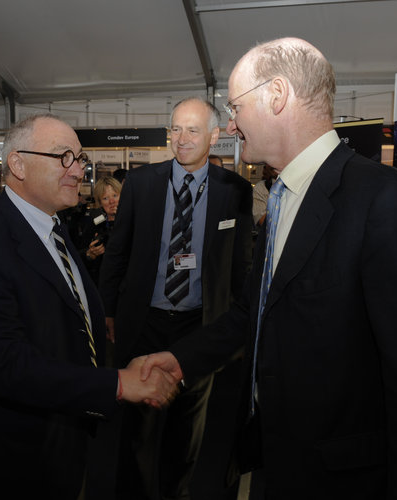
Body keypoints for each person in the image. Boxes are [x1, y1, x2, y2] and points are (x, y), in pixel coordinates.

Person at [142, 38, 397, 499]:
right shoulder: (283, 195)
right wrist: (180, 361)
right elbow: (255, 309)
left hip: (341, 477)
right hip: (277, 455)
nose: (230, 125)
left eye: (235, 107)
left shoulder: (383, 201)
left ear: (277, 95)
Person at [0, 114, 177, 499]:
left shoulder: (53, 226)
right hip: (23, 456)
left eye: (80, 157)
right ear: (17, 163)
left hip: (69, 437)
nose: (78, 169)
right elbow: (7, 367)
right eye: (63, 157)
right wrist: (118, 383)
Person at [99, 97, 253, 500]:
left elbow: (240, 265)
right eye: (175, 129)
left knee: (188, 432)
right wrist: (109, 310)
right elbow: (118, 251)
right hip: (144, 321)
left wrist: (234, 329)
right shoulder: (142, 183)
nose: (181, 139)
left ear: (215, 136)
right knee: (136, 430)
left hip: (198, 325)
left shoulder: (234, 191)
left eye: (192, 130)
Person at [80, 176, 121, 285]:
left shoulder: (132, 220)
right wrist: (90, 254)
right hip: (101, 281)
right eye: (105, 198)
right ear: (99, 202)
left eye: (115, 195)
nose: (112, 201)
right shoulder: (95, 222)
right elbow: (80, 253)